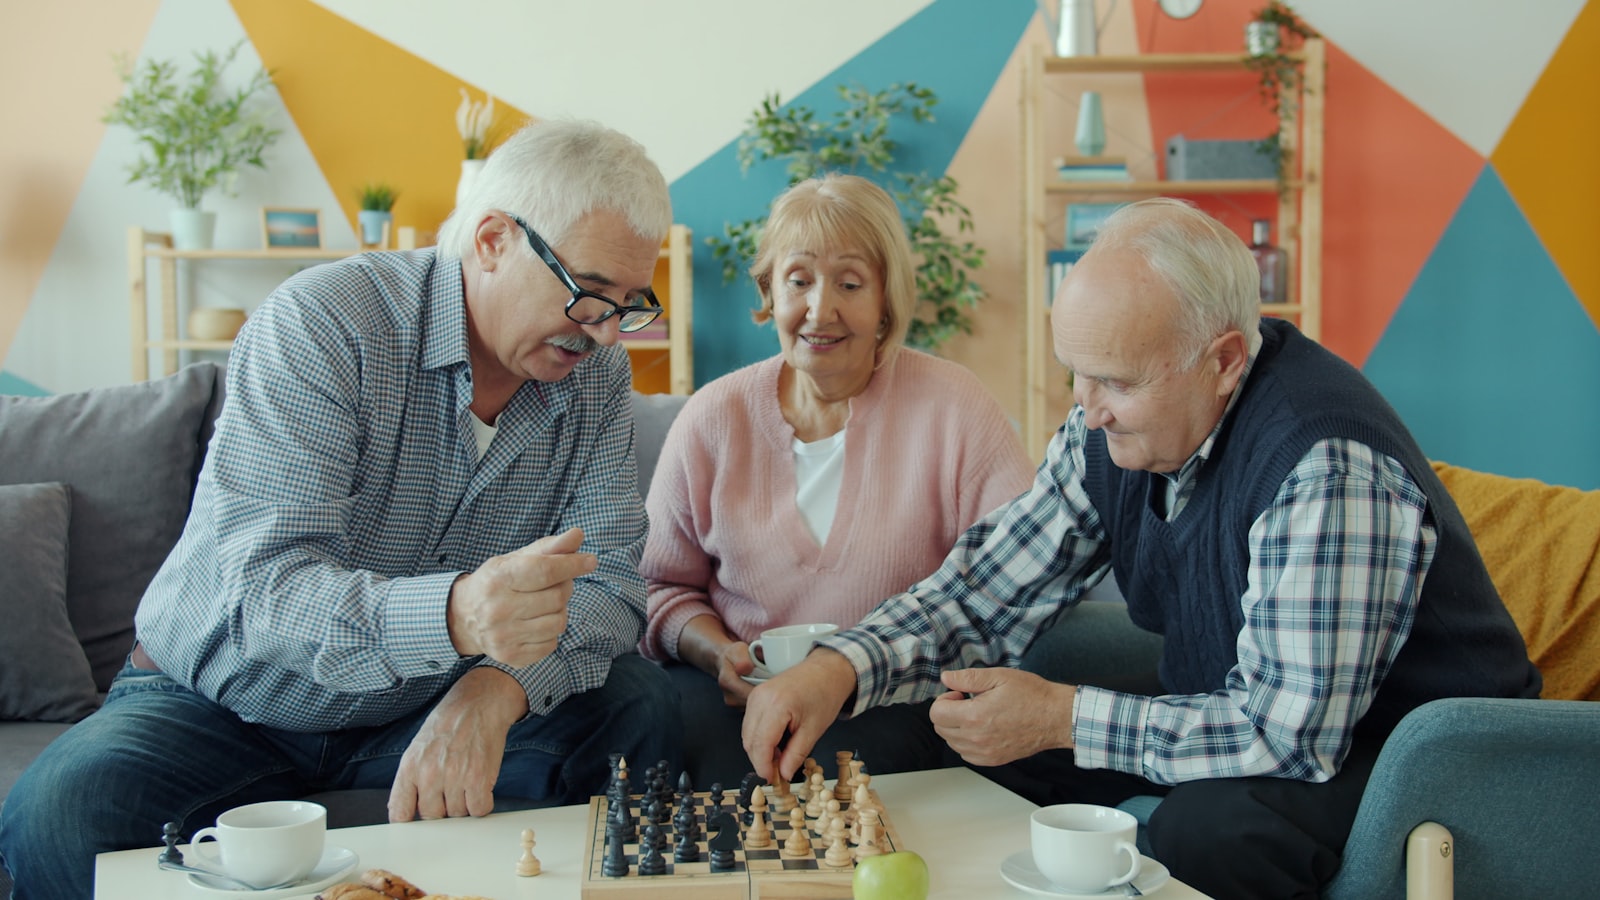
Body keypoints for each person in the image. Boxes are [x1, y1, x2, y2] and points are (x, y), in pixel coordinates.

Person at [742, 198, 1541, 899]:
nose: (1087, 412)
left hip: (1409, 748)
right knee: (935, 729)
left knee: (1210, 833)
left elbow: (1288, 735)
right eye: (1075, 377)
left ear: (1223, 360)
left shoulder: (1324, 463)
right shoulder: (1111, 424)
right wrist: (839, 666)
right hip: (1243, 705)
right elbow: (987, 588)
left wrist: (1063, 717)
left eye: (1116, 383)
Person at [0, 119, 683, 900]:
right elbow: (267, 592)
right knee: (59, 816)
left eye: (627, 305)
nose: (601, 332)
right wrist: (458, 615)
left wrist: (495, 690)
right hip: (226, 703)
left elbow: (613, 589)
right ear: (493, 240)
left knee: (640, 709)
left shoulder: (595, 378)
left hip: (425, 702)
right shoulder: (329, 324)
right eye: (589, 294)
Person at [639, 173, 1033, 785]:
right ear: (770, 290)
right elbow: (660, 588)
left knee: (830, 769)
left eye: (850, 283)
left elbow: (1015, 583)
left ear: (886, 302)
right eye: (799, 281)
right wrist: (718, 652)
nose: (821, 309)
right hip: (742, 701)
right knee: (665, 739)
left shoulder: (954, 406)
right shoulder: (714, 417)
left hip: (901, 702)